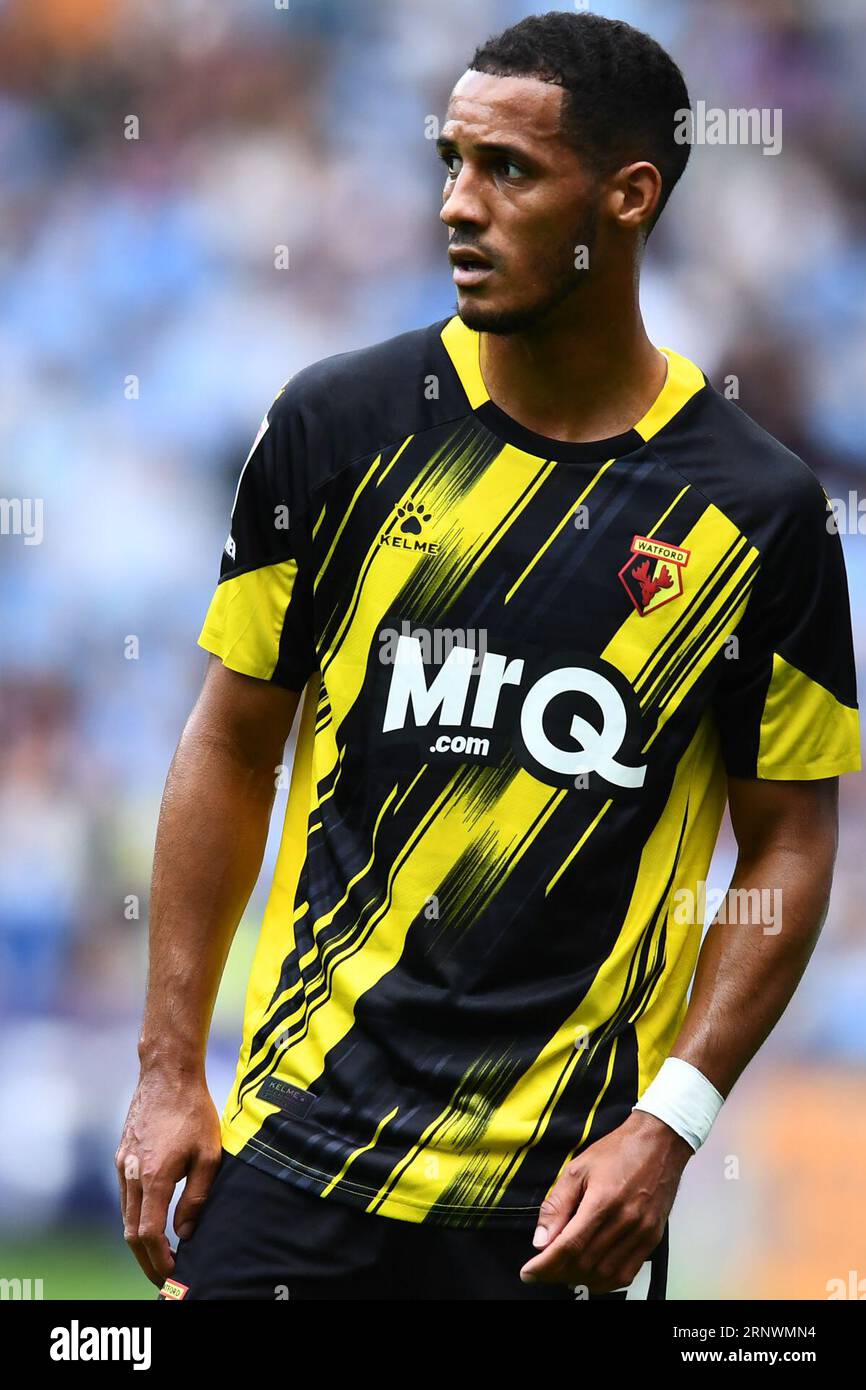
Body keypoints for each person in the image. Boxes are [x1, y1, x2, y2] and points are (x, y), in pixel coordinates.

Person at [117, 11, 860, 1301]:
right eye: (451, 162)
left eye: (508, 170)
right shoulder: (335, 423)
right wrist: (170, 1065)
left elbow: (791, 838)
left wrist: (670, 1124)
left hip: (559, 1203)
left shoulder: (759, 511)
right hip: (299, 1154)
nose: (459, 205)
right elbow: (231, 741)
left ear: (628, 198)